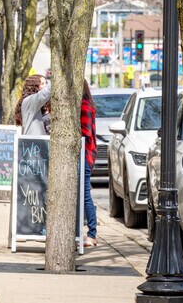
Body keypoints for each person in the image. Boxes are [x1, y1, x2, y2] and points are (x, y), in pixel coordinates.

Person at [81, 79, 98, 247]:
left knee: (85, 195)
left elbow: (85, 132)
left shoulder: (84, 105)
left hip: (84, 156)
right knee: (83, 194)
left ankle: (92, 233)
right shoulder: (86, 104)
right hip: (85, 155)